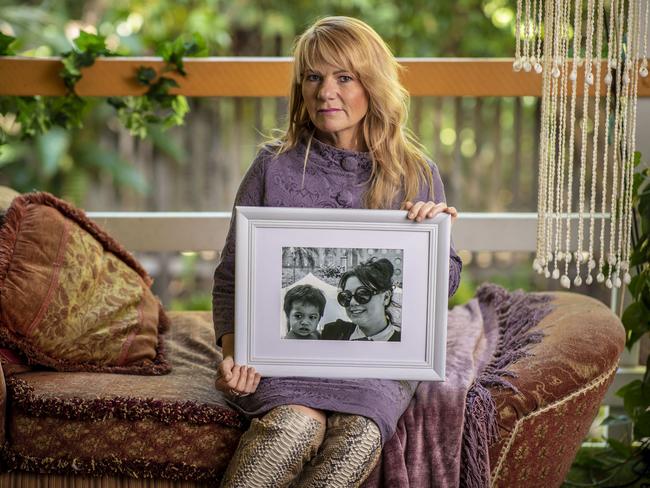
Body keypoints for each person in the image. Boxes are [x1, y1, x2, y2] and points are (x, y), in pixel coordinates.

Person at [213, 16, 461, 488]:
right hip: (283, 362)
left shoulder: (415, 173)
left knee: (358, 439)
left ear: (372, 85)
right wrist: (233, 356)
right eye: (313, 77)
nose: (326, 91)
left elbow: (442, 289)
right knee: (290, 429)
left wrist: (435, 239)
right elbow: (232, 274)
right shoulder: (273, 166)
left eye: (344, 77)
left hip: (376, 371)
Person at [321, 258, 400, 341]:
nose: (352, 302)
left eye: (362, 294)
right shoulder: (332, 333)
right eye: (346, 296)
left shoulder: (405, 344)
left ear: (386, 297)